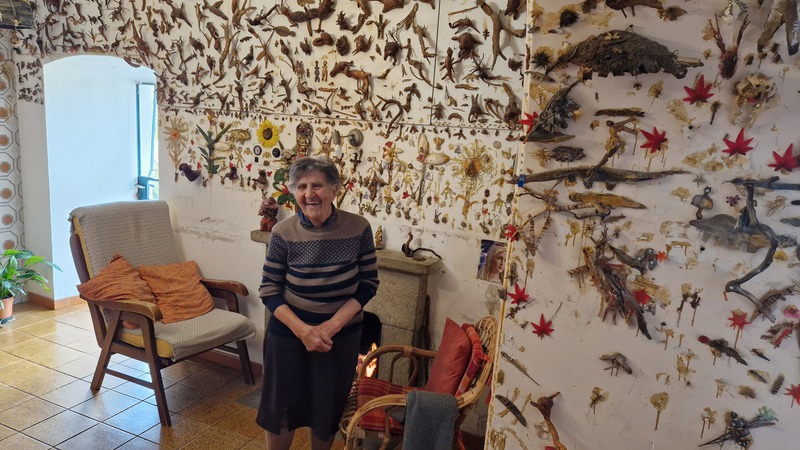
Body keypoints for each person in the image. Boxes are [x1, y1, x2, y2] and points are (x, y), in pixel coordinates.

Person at [257, 156, 380, 450]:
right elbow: (269, 290)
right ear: (294, 193)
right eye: (301, 187)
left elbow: (368, 284)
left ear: (334, 189)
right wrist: (304, 331)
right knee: (281, 408)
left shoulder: (359, 227)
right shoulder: (282, 232)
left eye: (317, 186)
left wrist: (329, 328)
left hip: (340, 337)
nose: (309, 194)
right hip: (289, 334)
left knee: (327, 409)